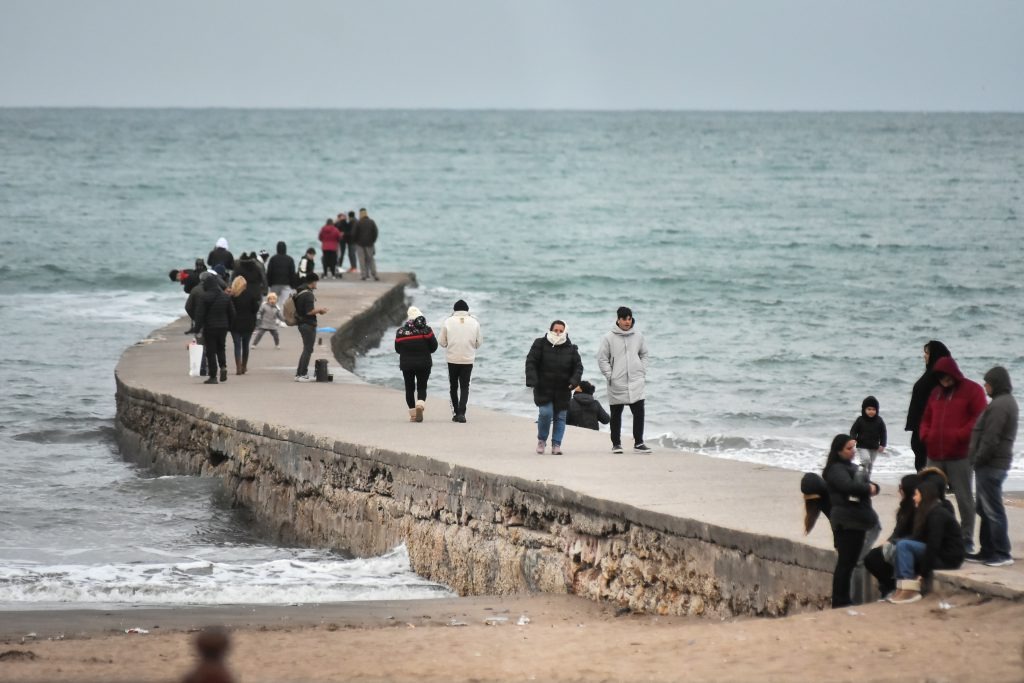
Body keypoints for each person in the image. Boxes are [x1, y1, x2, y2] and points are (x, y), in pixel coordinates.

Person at [920, 355, 988, 553]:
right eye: (940, 377)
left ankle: (967, 539)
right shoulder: (935, 393)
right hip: (934, 453)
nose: (944, 380)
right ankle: (932, 535)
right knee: (928, 496)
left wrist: (960, 435)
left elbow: (979, 418)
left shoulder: (972, 390)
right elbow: (926, 418)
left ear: (954, 373)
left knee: (964, 497)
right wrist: (926, 434)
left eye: (946, 376)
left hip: (960, 454)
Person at [967, 366, 1018, 566]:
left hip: (991, 464)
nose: (985, 386)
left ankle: (1001, 552)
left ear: (996, 384)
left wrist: (978, 459)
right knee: (984, 507)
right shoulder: (1002, 403)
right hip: (991, 464)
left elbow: (991, 438)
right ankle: (987, 550)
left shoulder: (1000, 405)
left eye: (987, 383)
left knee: (992, 509)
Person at [822, 433, 880, 608]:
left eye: (853, 447)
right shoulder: (835, 469)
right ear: (838, 451)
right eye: (849, 448)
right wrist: (868, 488)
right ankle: (840, 600)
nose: (853, 451)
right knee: (846, 563)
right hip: (846, 522)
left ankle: (844, 599)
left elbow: (868, 484)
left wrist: (874, 487)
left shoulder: (852, 467)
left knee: (851, 561)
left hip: (858, 520)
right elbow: (847, 486)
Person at [887, 477, 966, 604]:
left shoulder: (937, 515)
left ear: (925, 496)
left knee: (904, 545)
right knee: (901, 544)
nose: (913, 498)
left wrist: (923, 573)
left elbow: (934, 544)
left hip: (948, 557)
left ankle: (910, 590)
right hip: (940, 552)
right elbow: (920, 538)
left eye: (916, 494)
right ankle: (901, 586)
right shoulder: (928, 512)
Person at [596, 306, 651, 454]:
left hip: (635, 380)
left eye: (629, 318)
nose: (627, 322)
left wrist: (641, 370)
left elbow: (644, 354)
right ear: (618, 320)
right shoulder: (608, 337)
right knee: (616, 414)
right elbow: (602, 359)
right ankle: (616, 444)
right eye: (624, 319)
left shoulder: (638, 336)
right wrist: (610, 375)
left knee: (639, 412)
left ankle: (639, 443)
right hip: (617, 381)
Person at [525, 320, 583, 455]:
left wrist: (574, 381)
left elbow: (578, 367)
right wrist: (532, 379)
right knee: (545, 413)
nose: (558, 333)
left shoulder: (571, 348)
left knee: (560, 417)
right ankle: (541, 440)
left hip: (563, 389)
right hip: (543, 387)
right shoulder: (540, 343)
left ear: (565, 332)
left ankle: (556, 445)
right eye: (555, 330)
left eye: (561, 331)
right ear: (550, 330)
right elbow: (531, 361)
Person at [863, 473, 921, 599]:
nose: (899, 490)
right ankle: (888, 587)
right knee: (871, 557)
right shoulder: (904, 509)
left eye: (901, 487)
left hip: (909, 544)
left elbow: (915, 534)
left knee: (878, 557)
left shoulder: (918, 510)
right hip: (901, 542)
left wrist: (893, 542)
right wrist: (889, 541)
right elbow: (897, 530)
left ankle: (892, 587)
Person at [906, 340, 952, 471]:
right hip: (921, 430)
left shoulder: (939, 377)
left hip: (930, 433)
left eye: (927, 353)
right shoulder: (931, 374)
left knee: (930, 470)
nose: (924, 356)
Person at [438, 299, 482, 423]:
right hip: (468, 359)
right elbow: (479, 342)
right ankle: (462, 413)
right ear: (467, 310)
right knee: (464, 386)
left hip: (452, 358)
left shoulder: (448, 321)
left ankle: (456, 413)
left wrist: (449, 344)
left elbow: (441, 342)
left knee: (453, 386)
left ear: (455, 310)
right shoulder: (474, 322)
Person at [394, 306, 438, 422]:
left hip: (407, 365)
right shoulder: (426, 330)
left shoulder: (400, 332)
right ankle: (420, 404)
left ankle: (413, 414)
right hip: (424, 364)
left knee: (409, 389)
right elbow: (434, 347)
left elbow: (398, 350)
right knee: (422, 386)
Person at [194, 271, 236, 385]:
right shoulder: (225, 296)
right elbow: (232, 313)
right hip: (223, 327)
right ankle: (223, 367)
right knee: (221, 348)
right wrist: (229, 326)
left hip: (210, 327)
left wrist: (196, 328)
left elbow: (200, 315)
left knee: (211, 351)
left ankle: (213, 376)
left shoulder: (205, 297)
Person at [293, 273, 327, 382]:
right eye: (316, 282)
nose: (317, 284)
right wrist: (320, 310)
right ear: (312, 282)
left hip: (301, 323)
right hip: (308, 324)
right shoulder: (308, 295)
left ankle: (299, 373)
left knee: (306, 349)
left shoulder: (300, 291)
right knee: (308, 350)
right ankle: (302, 374)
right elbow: (309, 311)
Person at [228, 276, 259, 375]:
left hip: (234, 324)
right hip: (248, 323)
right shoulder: (250, 295)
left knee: (237, 345)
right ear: (244, 285)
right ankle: (244, 366)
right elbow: (255, 309)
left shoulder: (232, 296)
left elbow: (228, 310)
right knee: (245, 345)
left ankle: (238, 367)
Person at [850, 396, 887, 476]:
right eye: (869, 409)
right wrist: (853, 439)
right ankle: (858, 474)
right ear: (864, 409)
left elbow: (883, 433)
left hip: (874, 446)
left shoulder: (879, 420)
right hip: (862, 446)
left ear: (877, 410)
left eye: (873, 409)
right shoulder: (860, 420)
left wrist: (882, 444)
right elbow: (853, 430)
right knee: (866, 460)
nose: (871, 411)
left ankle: (867, 479)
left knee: (870, 464)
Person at [352, 208, 379, 281]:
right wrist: (373, 241)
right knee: (371, 260)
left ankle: (364, 275)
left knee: (362, 260)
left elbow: (354, 234)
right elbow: (376, 232)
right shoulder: (371, 222)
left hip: (360, 244)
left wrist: (355, 241)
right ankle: (374, 274)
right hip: (370, 244)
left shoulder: (358, 223)